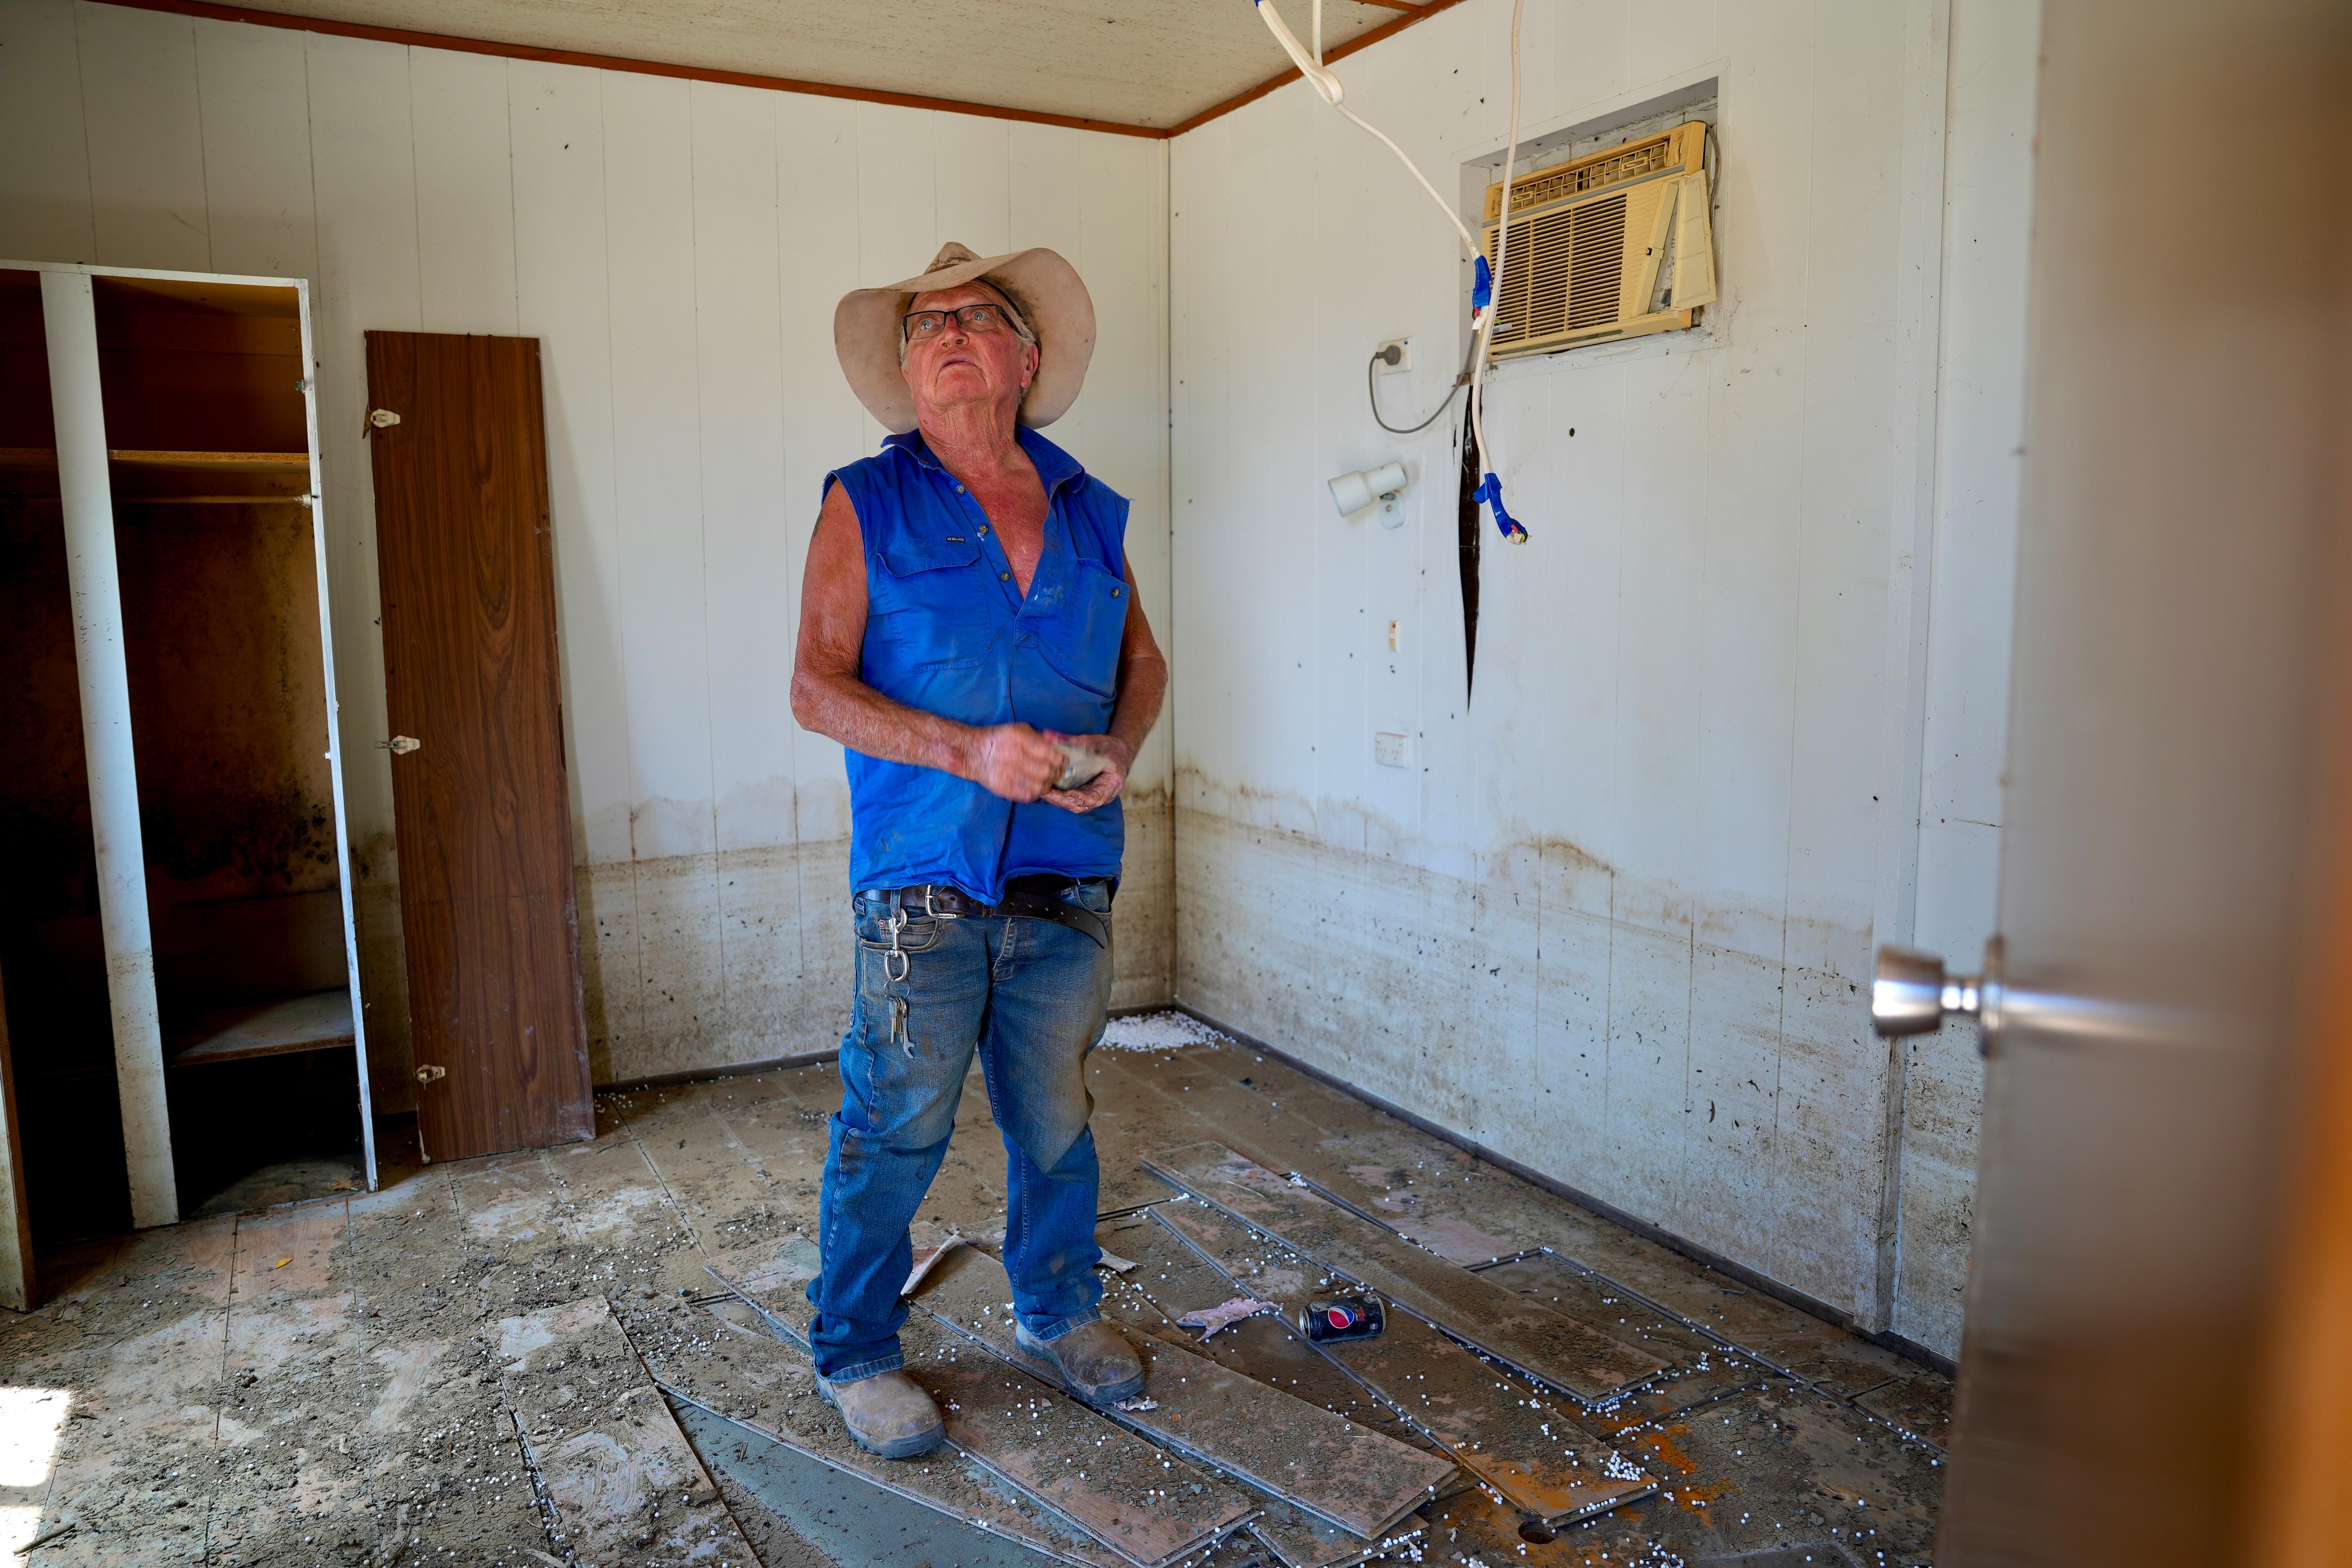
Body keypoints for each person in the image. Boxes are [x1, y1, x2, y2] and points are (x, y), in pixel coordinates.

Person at [788, 242, 1168, 1459]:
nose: (947, 332)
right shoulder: (865, 499)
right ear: (907, 369)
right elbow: (813, 689)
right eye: (924, 323)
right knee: (897, 1117)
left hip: (1068, 866)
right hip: (924, 873)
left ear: (1027, 354)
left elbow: (1144, 659)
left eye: (976, 315)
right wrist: (965, 755)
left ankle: (1058, 1311)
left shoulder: (1089, 507)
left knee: (1053, 1112)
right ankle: (853, 1351)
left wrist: (1120, 739)